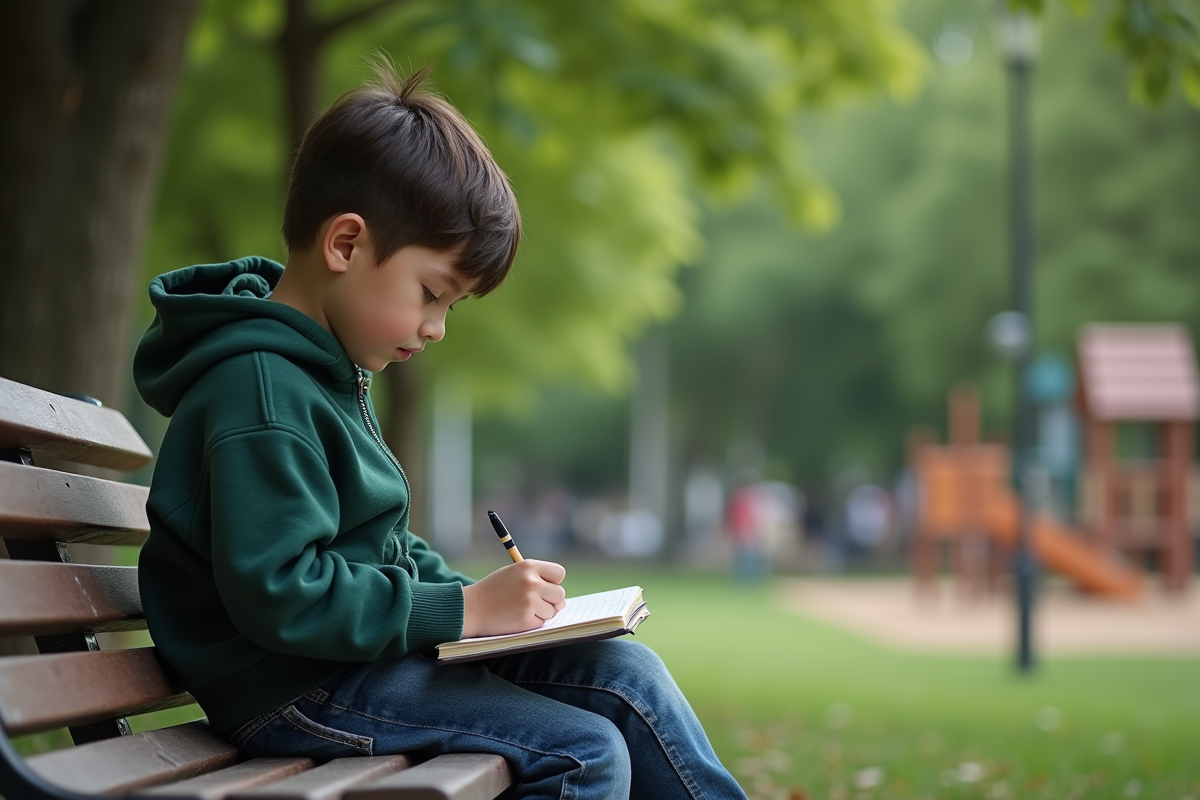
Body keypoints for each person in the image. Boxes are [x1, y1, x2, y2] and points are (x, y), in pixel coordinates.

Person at [133, 62, 746, 800]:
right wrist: (462, 611)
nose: (437, 327)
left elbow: (376, 546)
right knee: (584, 753)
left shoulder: (320, 371)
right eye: (432, 294)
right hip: (295, 691)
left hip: (353, 662)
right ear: (346, 245)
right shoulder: (260, 390)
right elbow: (285, 594)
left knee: (628, 677)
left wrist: (491, 609)